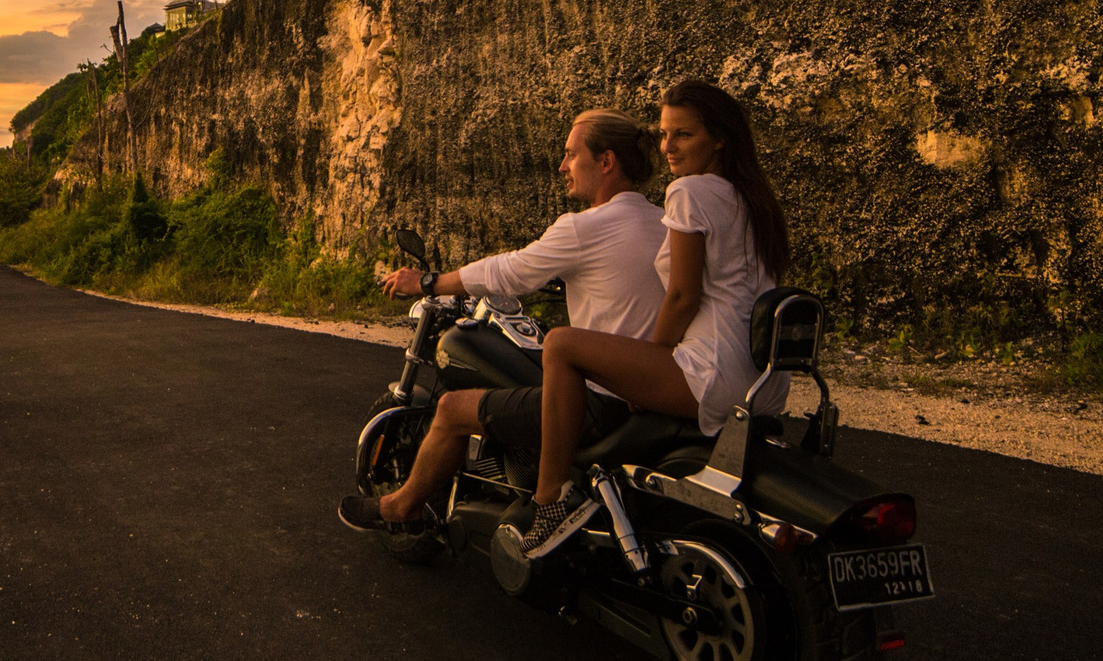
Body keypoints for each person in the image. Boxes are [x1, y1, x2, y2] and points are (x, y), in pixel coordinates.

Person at [338, 110, 664, 537]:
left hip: (600, 401)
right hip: (650, 392)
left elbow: (510, 271)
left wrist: (429, 282)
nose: (562, 166)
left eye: (571, 155)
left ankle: (401, 507)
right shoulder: (662, 221)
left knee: (451, 410)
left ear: (606, 162)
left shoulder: (585, 228)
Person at [510, 78, 791, 558]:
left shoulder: (689, 192)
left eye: (684, 134)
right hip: (761, 382)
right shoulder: (752, 199)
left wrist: (650, 366)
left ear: (719, 140)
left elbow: (682, 296)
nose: (668, 147)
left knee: (560, 343)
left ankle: (549, 501)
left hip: (711, 374)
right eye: (664, 134)